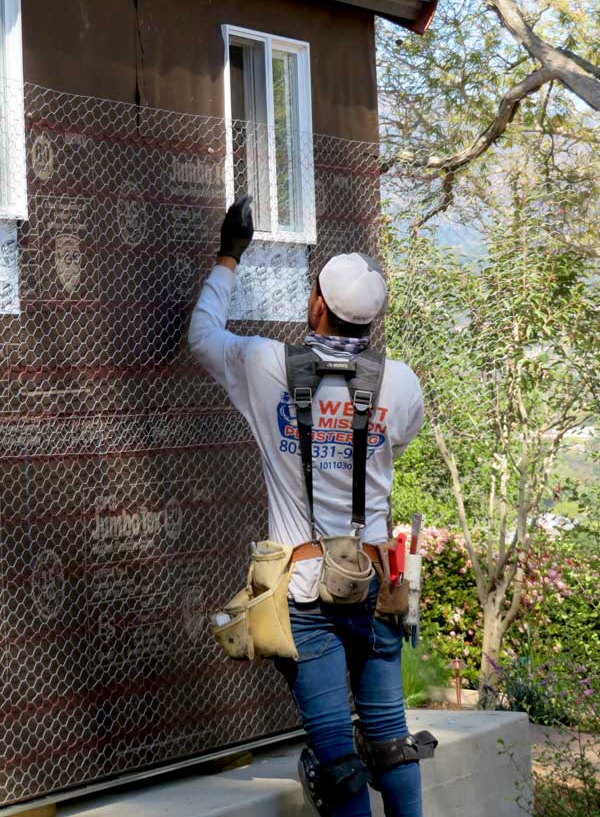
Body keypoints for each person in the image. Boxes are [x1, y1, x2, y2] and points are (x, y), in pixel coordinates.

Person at [188, 195, 431, 817]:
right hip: (378, 583)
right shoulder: (401, 382)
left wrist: (229, 254)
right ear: (370, 320)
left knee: (337, 756)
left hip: (304, 592)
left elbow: (202, 337)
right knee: (390, 740)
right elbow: (395, 444)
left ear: (316, 305)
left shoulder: (265, 364)